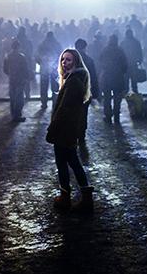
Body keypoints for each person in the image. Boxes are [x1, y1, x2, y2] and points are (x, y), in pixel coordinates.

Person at [46, 49, 94, 212]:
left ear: (76, 62)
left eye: (68, 60)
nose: (64, 63)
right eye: (63, 60)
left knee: (66, 162)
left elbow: (65, 108)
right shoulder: (74, 79)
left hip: (64, 129)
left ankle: (68, 196)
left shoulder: (73, 81)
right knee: (72, 161)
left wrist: (54, 126)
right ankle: (79, 195)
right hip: (68, 128)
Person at [75, 38, 99, 144]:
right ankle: (81, 134)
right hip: (85, 91)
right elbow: (93, 77)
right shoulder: (89, 60)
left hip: (72, 92)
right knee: (83, 113)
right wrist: (96, 91)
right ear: (85, 47)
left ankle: (73, 133)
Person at [99, 35, 128, 124]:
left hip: (107, 77)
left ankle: (107, 116)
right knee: (117, 98)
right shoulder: (120, 50)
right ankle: (116, 116)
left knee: (107, 98)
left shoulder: (105, 50)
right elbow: (125, 64)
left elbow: (100, 61)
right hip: (118, 77)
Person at [3, 39, 29, 122]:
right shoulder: (21, 57)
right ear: (18, 47)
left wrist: (10, 74)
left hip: (12, 79)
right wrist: (26, 77)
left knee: (13, 98)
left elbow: (5, 69)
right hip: (20, 79)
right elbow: (25, 69)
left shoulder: (8, 56)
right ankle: (17, 115)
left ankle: (13, 114)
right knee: (19, 98)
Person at [36, 31, 62, 109]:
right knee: (55, 86)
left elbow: (37, 56)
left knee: (44, 86)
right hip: (54, 68)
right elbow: (61, 55)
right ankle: (55, 102)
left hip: (44, 68)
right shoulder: (57, 44)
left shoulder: (42, 44)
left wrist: (41, 63)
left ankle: (44, 103)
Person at [120, 28, 144, 94]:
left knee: (126, 79)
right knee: (134, 79)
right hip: (133, 63)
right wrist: (140, 60)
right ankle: (135, 91)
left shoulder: (123, 42)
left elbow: (120, 53)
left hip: (125, 64)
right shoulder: (136, 42)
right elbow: (140, 52)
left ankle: (125, 91)